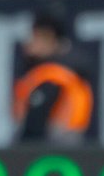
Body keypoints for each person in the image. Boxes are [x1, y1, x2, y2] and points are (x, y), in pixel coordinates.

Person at [13, 10, 94, 144]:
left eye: (35, 37)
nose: (29, 43)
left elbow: (37, 118)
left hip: (55, 139)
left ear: (48, 37)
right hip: (64, 138)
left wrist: (25, 141)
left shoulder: (54, 73)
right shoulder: (37, 67)